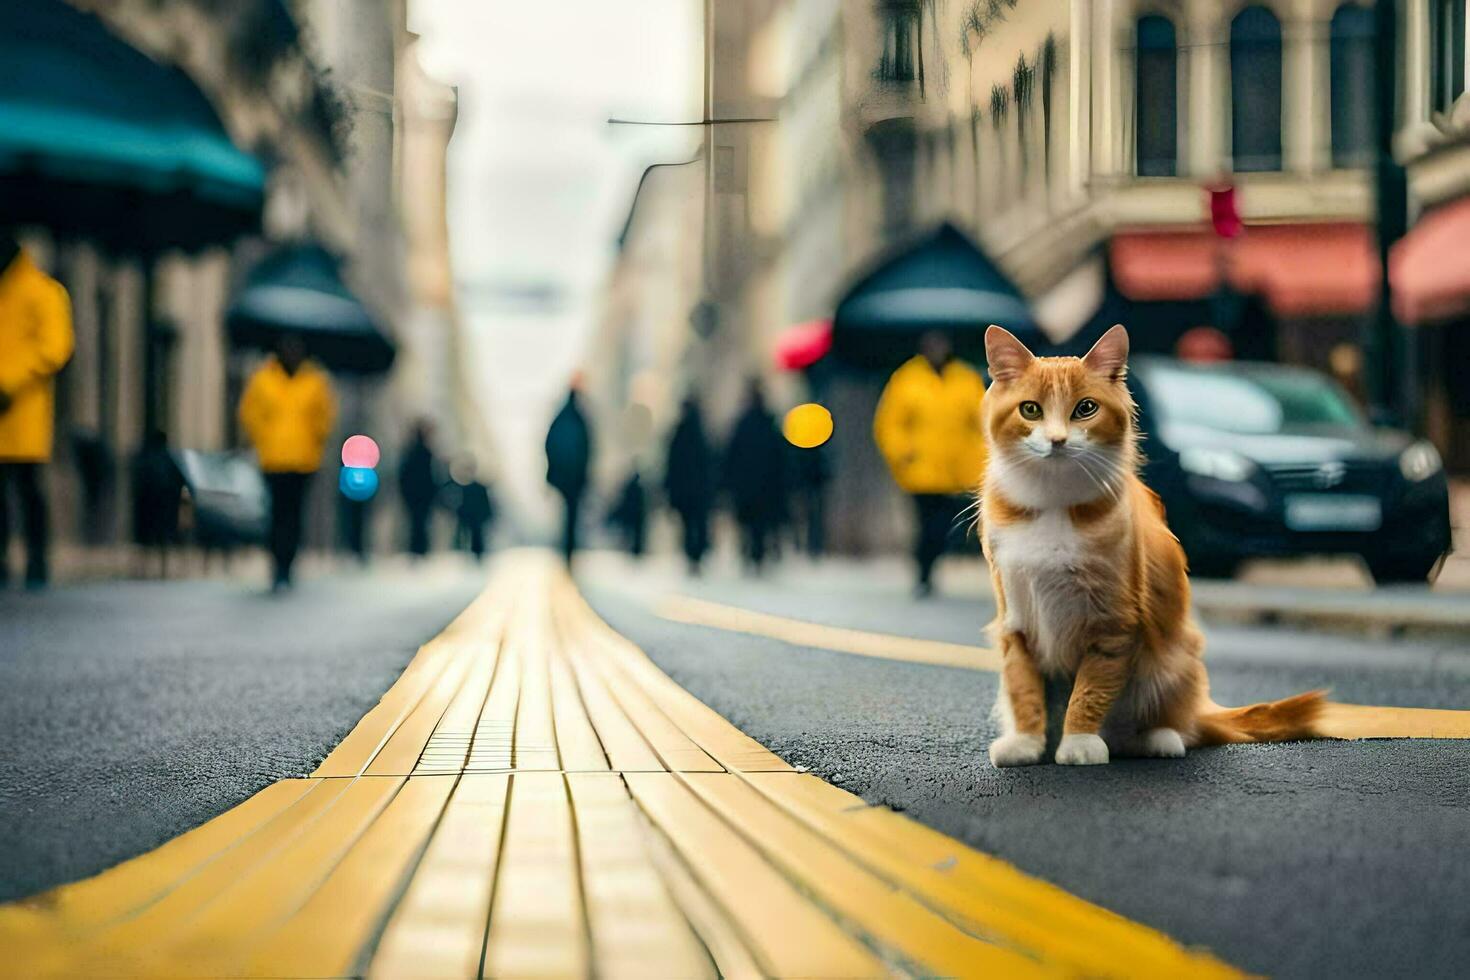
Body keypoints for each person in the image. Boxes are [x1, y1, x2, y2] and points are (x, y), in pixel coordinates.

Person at [873, 331, 987, 596]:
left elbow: (982, 420)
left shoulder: (964, 378)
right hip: (920, 471)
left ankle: (929, 567)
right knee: (925, 524)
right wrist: (903, 452)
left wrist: (980, 455)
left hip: (954, 471)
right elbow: (889, 423)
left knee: (943, 526)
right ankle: (923, 573)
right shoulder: (907, 379)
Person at [0, 235, 74, 589]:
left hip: (23, 408)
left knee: (28, 488)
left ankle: (37, 562)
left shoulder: (44, 292)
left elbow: (55, 347)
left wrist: (9, 383)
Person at [238, 335, 335, 591]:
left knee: (294, 513)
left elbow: (324, 417)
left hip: (303, 460)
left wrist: (315, 440)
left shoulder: (314, 380)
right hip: (272, 458)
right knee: (277, 512)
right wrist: (263, 437)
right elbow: (250, 412)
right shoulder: (264, 378)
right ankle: (277, 563)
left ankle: (287, 565)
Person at [723, 380, 787, 574]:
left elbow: (730, 457)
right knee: (759, 524)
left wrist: (727, 483)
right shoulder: (769, 424)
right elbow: (780, 458)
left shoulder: (744, 424)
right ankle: (756, 555)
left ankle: (752, 554)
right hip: (764, 487)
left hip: (749, 487)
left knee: (751, 524)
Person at [663, 397, 713, 574]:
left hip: (685, 491)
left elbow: (671, 464)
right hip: (698, 490)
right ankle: (696, 555)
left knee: (688, 524)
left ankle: (692, 554)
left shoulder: (678, 433)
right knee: (697, 524)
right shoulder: (703, 434)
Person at [545, 385, 592, 564]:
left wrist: (552, 473)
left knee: (566, 513)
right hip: (575, 477)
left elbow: (550, 445)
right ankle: (569, 550)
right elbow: (588, 448)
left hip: (563, 477)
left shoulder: (560, 417)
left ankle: (566, 548)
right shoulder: (581, 418)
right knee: (572, 514)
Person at [398, 420, 439, 558]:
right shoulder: (425, 453)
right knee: (419, 524)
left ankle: (417, 551)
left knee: (417, 524)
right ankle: (419, 551)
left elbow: (404, 475)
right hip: (420, 496)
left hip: (416, 496)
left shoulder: (412, 451)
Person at [452, 457, 494, 563]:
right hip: (468, 518)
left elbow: (484, 504)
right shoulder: (462, 488)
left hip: (476, 519)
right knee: (464, 537)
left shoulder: (477, 487)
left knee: (477, 538)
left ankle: (476, 557)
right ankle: (465, 556)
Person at [606, 471, 648, 558]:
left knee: (632, 534)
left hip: (634, 514)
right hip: (636, 515)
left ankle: (635, 551)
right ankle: (635, 551)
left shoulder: (633, 487)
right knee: (635, 534)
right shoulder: (638, 488)